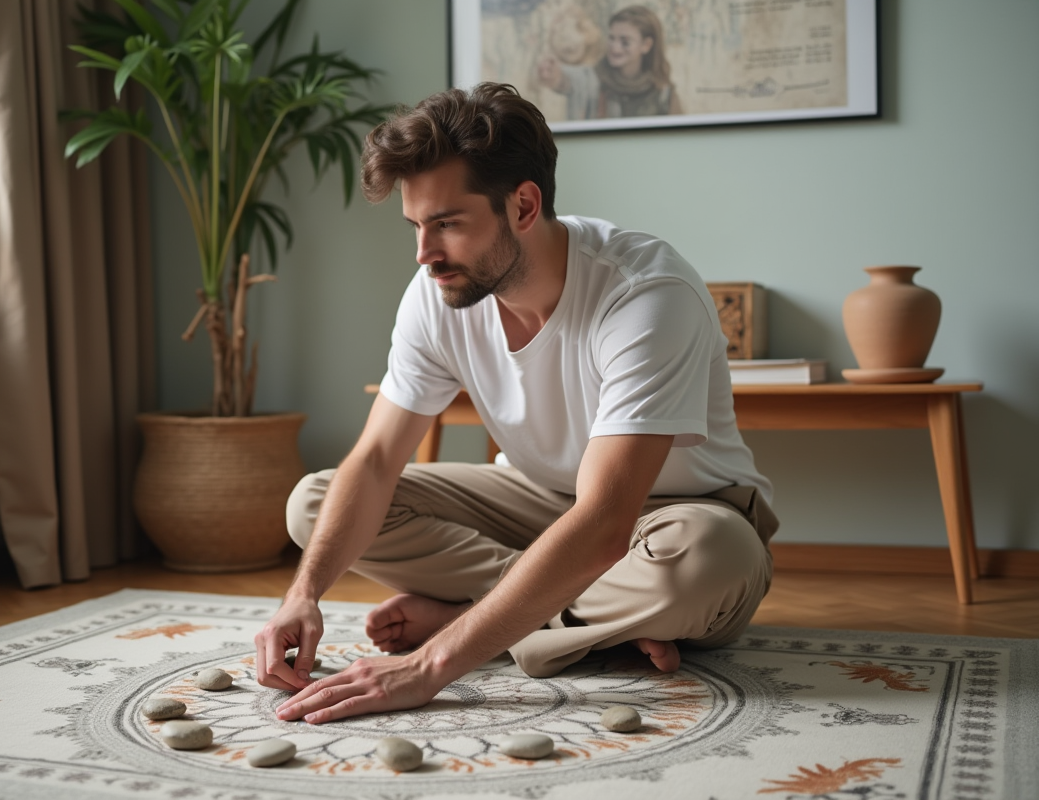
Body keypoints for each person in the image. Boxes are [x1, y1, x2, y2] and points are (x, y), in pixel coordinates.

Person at [255, 82, 776, 725]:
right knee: (315, 503)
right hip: (537, 500)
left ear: (524, 205)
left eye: (447, 224)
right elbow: (376, 460)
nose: (424, 255)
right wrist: (303, 593)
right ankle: (577, 621)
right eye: (416, 226)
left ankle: (475, 619)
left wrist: (430, 663)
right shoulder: (438, 291)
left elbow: (605, 520)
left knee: (706, 562)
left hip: (675, 515)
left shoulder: (646, 295)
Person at [538, 4, 683, 118]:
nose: (615, 48)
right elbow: (570, 80)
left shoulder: (664, 94)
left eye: (625, 42)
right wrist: (554, 74)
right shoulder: (593, 79)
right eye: (612, 38)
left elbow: (678, 136)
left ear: (646, 45)